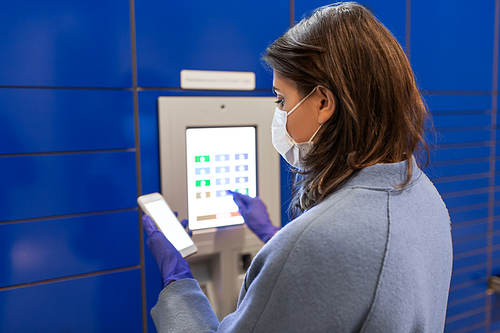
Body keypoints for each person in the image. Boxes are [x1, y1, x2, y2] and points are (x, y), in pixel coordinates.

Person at [142, 2, 453, 332]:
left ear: (323, 102)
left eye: (281, 99)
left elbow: (334, 252)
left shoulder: (323, 240)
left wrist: (179, 284)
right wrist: (276, 240)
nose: (279, 112)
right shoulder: (424, 198)